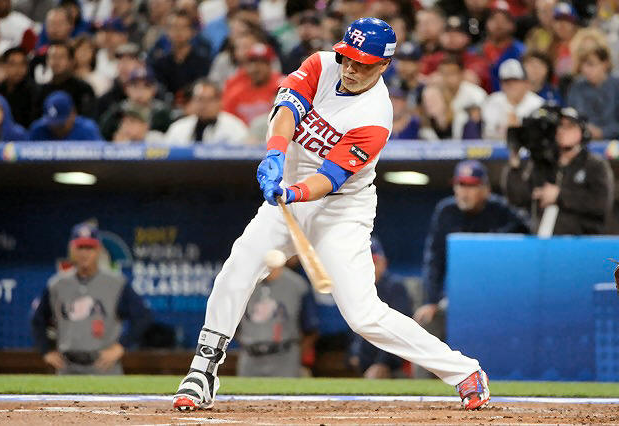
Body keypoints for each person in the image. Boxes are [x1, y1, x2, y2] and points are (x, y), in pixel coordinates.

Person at [172, 17, 490, 413]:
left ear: (384, 65)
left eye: (363, 63)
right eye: (348, 58)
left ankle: (464, 371)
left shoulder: (375, 117)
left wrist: (293, 191)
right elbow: (286, 111)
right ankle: (203, 370)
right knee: (239, 266)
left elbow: (329, 178)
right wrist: (275, 154)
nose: (351, 69)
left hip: (341, 207)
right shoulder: (321, 65)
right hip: (288, 192)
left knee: (362, 315)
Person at [414, 160, 530, 333]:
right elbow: (434, 260)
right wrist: (431, 300)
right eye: (461, 185)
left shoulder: (500, 210)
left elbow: (527, 234)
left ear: (486, 190)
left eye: (472, 186)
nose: (464, 192)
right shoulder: (446, 211)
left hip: (498, 294)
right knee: (429, 323)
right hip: (460, 294)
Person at [31, 222, 152, 374]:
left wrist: (121, 347)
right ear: (71, 249)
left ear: (99, 250)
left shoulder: (116, 283)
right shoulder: (57, 284)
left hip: (104, 368)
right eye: (80, 247)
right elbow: (37, 320)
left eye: (90, 247)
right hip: (67, 367)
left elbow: (143, 316)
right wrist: (46, 351)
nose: (84, 253)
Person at [502, 107, 614, 235]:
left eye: (569, 126)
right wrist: (514, 161)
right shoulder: (545, 163)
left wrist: (560, 195)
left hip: (582, 241)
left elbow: (601, 204)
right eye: (560, 126)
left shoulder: (595, 165)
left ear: (582, 132)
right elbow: (517, 198)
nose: (562, 131)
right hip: (543, 240)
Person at [234, 263, 319, 377]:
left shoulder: (297, 284)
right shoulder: (241, 284)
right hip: (249, 356)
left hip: (284, 356)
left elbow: (311, 328)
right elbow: (230, 323)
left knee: (285, 389)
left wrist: (298, 355)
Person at [349, 237, 412, 379]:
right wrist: (354, 354)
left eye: (373, 263)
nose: (369, 269)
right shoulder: (359, 288)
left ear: (384, 263)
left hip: (393, 367)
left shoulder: (395, 287)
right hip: (365, 365)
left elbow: (399, 330)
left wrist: (383, 363)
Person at [163, 78, 248, 145]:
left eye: (208, 100)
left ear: (219, 102)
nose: (203, 105)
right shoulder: (178, 128)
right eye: (199, 99)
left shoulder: (235, 127)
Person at [150, 10, 211, 100]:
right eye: (174, 27)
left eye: (183, 27)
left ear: (192, 32)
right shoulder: (159, 63)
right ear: (167, 32)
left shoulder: (203, 62)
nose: (178, 32)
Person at [222, 43, 284, 126]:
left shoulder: (281, 85)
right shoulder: (235, 86)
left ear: (269, 65)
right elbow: (226, 119)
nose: (256, 68)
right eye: (252, 62)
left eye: (262, 62)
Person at [481, 58, 544, 140]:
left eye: (515, 80)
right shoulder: (492, 101)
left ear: (526, 83)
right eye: (506, 81)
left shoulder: (538, 104)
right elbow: (486, 135)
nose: (511, 85)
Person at [566, 46, 619, 140]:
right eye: (582, 65)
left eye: (591, 64)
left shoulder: (616, 86)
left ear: (605, 64)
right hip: (582, 140)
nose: (585, 69)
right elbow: (570, 117)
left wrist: (602, 132)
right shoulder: (576, 87)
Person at [37, 41, 97, 119]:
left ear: (72, 61)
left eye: (61, 57)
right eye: (53, 57)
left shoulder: (83, 89)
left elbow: (88, 118)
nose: (56, 61)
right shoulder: (41, 91)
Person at [0, 47, 39, 127]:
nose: (18, 69)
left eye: (22, 64)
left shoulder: (35, 91)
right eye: (13, 64)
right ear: (4, 66)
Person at [29, 90, 103, 141]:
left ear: (73, 114)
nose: (56, 128)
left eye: (60, 125)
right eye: (51, 124)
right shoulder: (38, 130)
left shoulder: (87, 130)